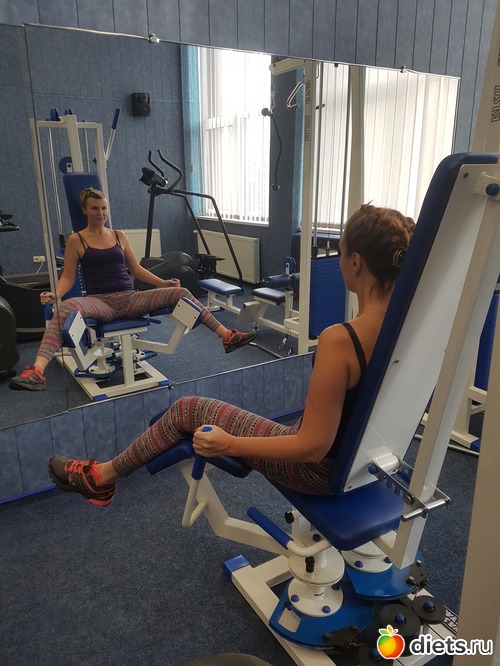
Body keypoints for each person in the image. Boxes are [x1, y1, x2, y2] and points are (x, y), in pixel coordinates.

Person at [48, 204, 415, 506]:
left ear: (355, 262)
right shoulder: (411, 328)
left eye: (341, 253)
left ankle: (100, 478)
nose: (338, 262)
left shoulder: (341, 340)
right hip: (366, 464)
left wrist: (229, 443)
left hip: (317, 472)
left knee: (187, 409)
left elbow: (312, 446)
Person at [9, 187, 257, 391]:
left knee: (181, 293)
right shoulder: (77, 239)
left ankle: (227, 336)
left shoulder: (119, 235)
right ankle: (37, 371)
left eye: (104, 208)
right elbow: (68, 277)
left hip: (129, 299)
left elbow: (136, 269)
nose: (100, 213)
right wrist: (56, 294)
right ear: (84, 210)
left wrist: (163, 283)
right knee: (64, 308)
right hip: (100, 302)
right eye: (94, 208)